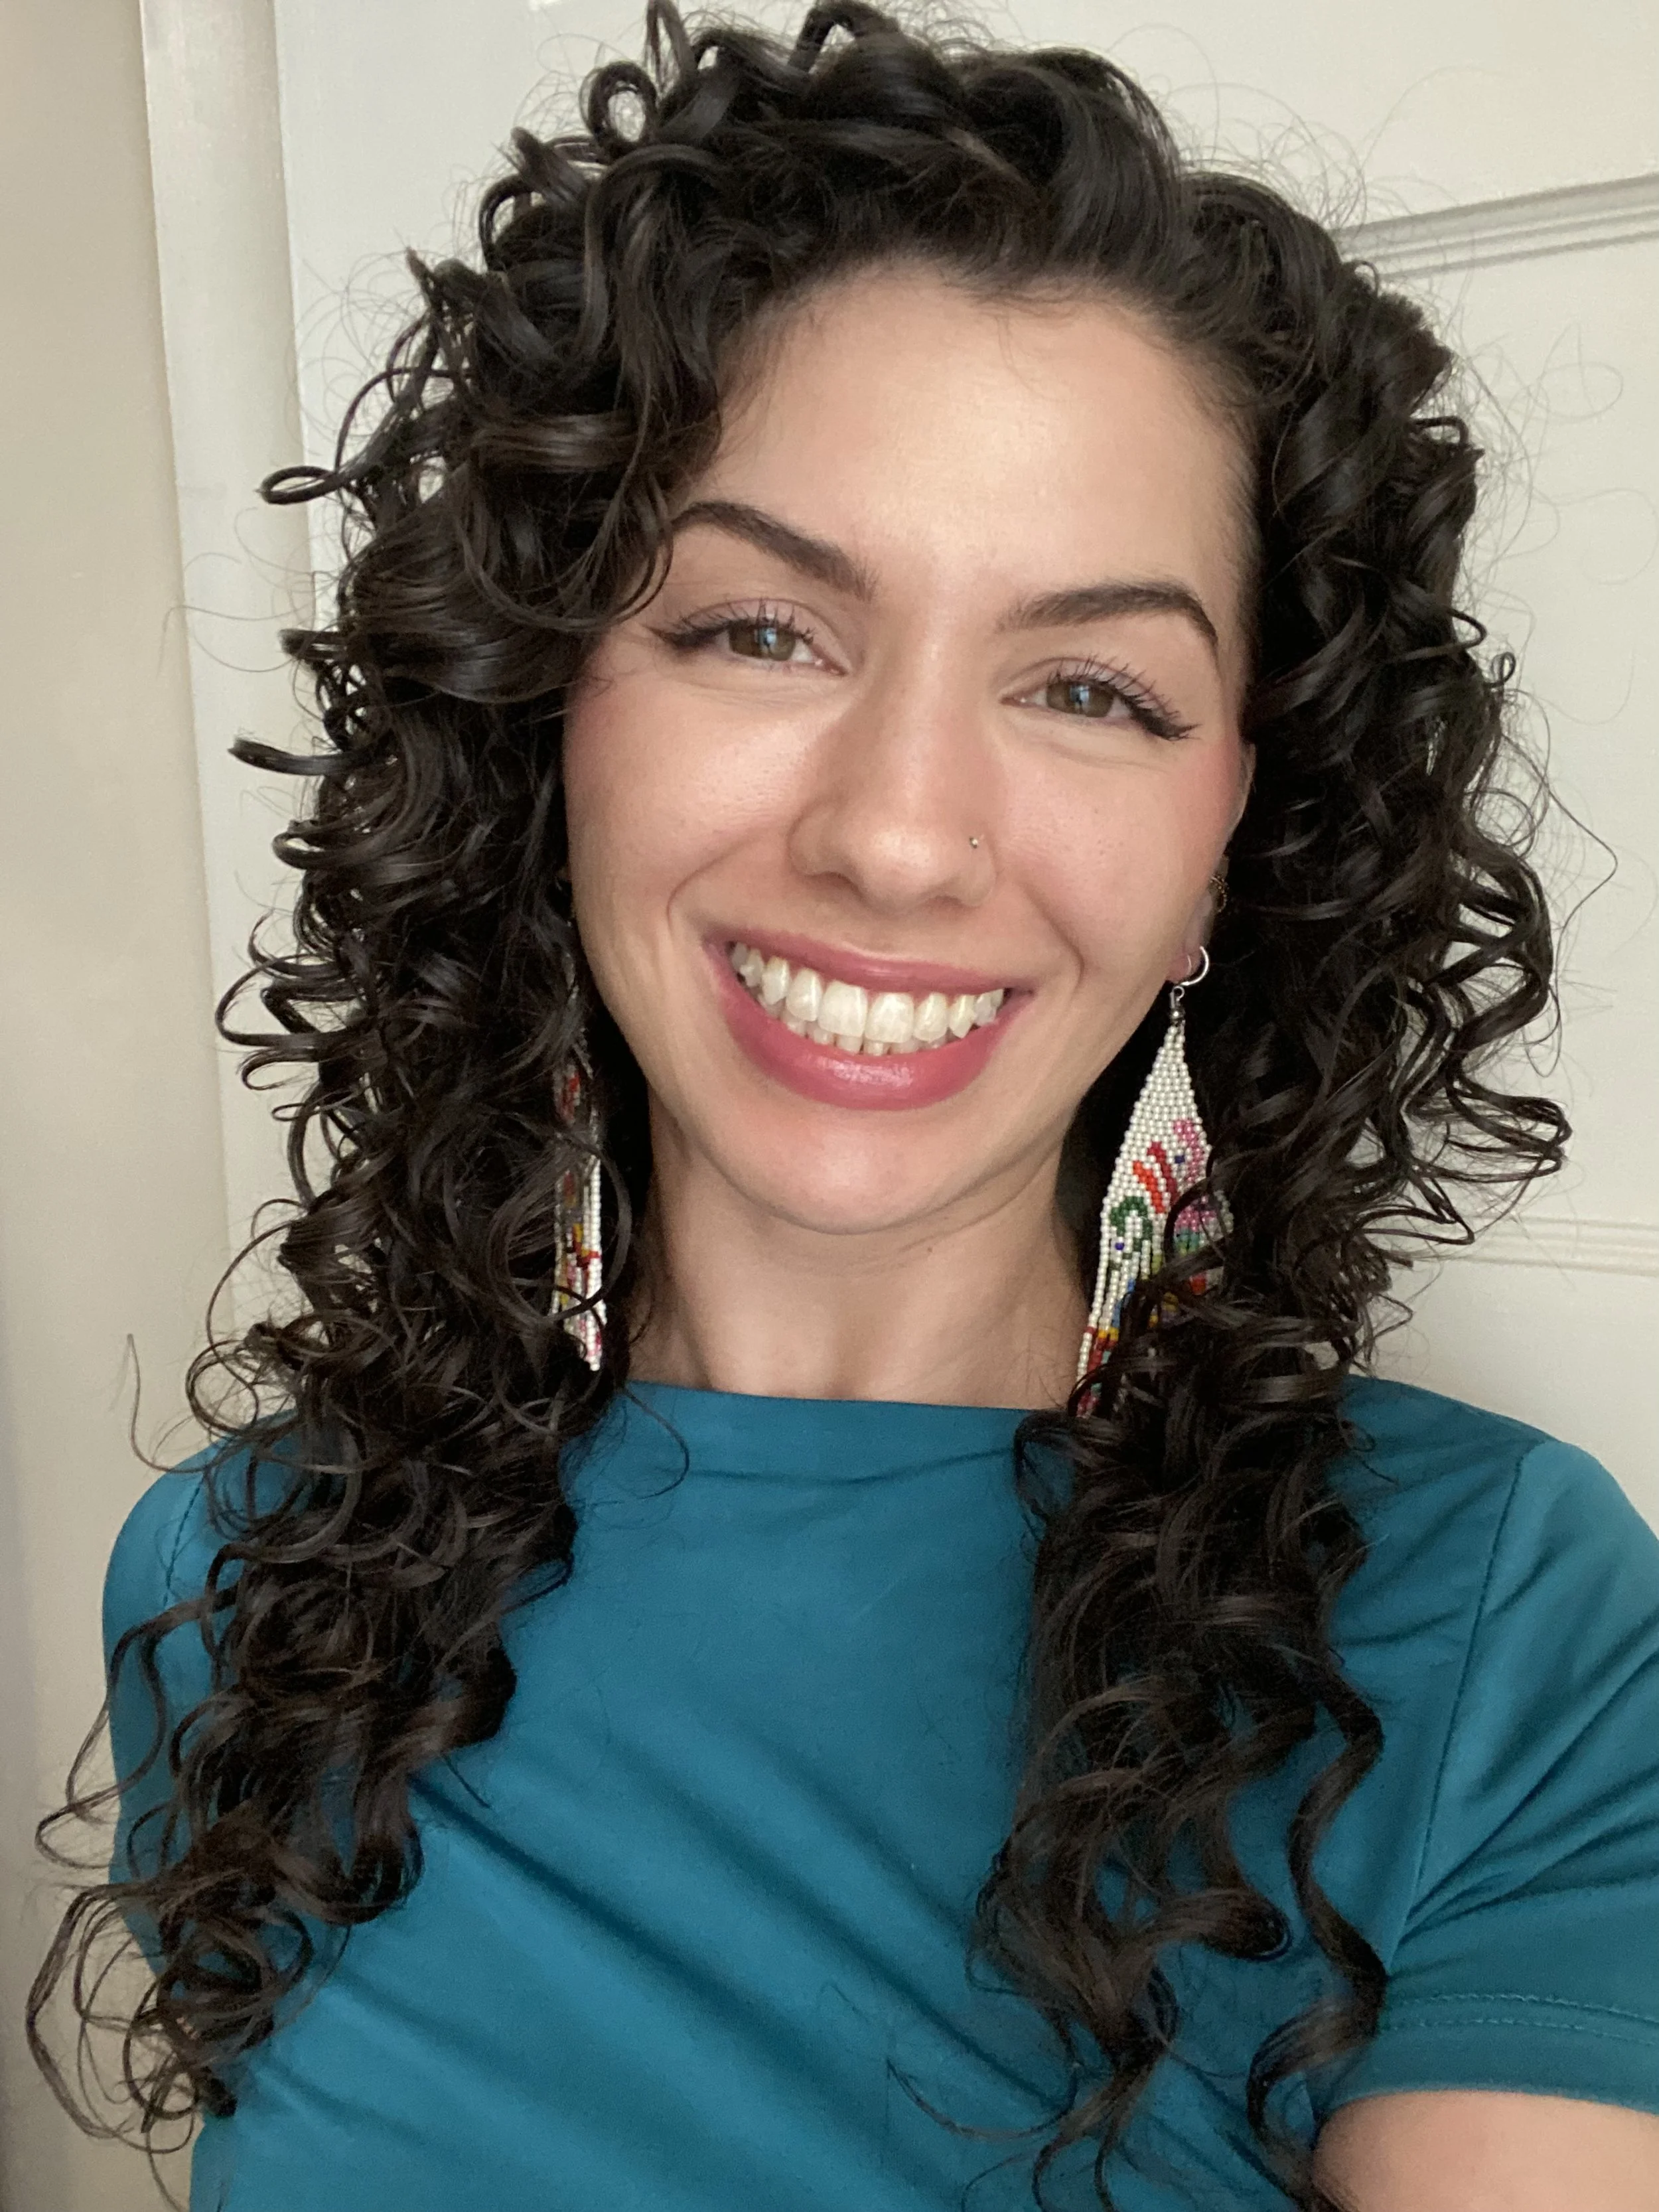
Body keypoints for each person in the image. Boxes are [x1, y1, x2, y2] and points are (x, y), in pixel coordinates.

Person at [31, 5, 1659, 2208]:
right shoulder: (244, 1579)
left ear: (1224, 840)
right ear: (554, 714)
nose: (899, 835)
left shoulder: (1492, 1628)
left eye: (1089, 685)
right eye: (760, 631)